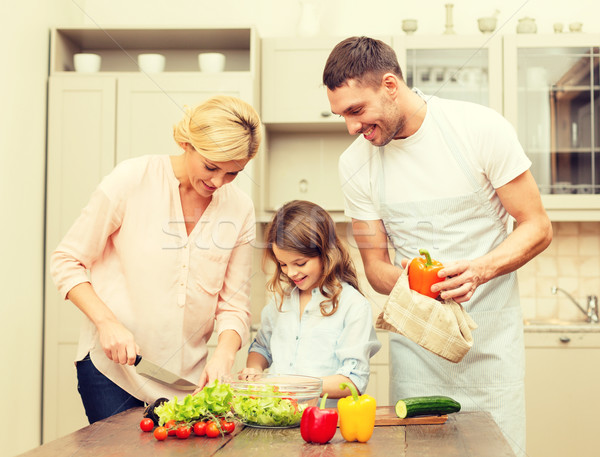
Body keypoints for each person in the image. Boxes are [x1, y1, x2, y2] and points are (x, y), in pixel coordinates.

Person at [322, 36, 552, 456]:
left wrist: (480, 270)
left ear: (390, 85)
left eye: (357, 110)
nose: (352, 127)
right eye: (342, 115)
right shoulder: (355, 164)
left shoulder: (479, 128)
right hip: (417, 356)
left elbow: (536, 226)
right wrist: (418, 281)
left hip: (491, 350)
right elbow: (375, 265)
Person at [50, 95, 262, 423]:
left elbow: (234, 306)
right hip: (113, 372)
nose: (218, 183)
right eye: (211, 166)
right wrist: (107, 323)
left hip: (186, 383)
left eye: (233, 173)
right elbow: (66, 260)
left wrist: (223, 354)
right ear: (185, 142)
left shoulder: (239, 209)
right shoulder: (131, 179)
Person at [244, 200, 381, 402]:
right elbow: (261, 348)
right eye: (282, 264)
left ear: (325, 254)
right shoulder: (280, 302)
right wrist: (254, 369)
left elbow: (353, 381)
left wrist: (292, 385)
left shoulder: (353, 306)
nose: (290, 273)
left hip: (325, 424)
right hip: (276, 415)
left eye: (300, 263)